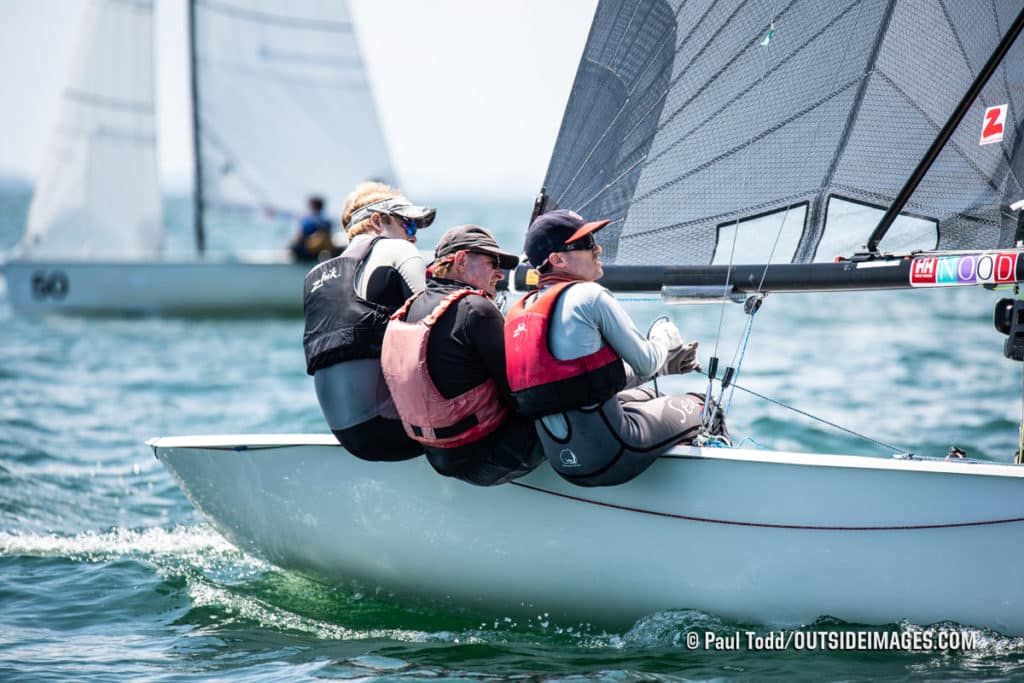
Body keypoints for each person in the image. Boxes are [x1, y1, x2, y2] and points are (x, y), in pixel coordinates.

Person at [504, 209, 728, 487]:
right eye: (585, 244)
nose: (597, 248)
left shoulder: (518, 313)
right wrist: (664, 336)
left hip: (565, 464)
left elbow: (577, 384)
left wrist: (667, 367)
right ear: (557, 260)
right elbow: (645, 362)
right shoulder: (589, 296)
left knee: (645, 393)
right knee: (707, 407)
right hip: (613, 454)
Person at [380, 225, 544, 486]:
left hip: (438, 457)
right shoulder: (476, 309)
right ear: (461, 260)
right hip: (488, 457)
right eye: (492, 263)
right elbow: (521, 394)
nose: (499, 274)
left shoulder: (407, 309)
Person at [302, 182, 436, 461]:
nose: (413, 238)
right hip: (393, 429)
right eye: (408, 226)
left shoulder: (314, 276)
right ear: (377, 221)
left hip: (346, 434)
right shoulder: (398, 251)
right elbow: (439, 321)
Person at [290, 195, 340, 261]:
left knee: (294, 247)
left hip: (308, 252)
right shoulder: (327, 220)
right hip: (322, 252)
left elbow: (300, 236)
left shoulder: (307, 219)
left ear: (312, 206)